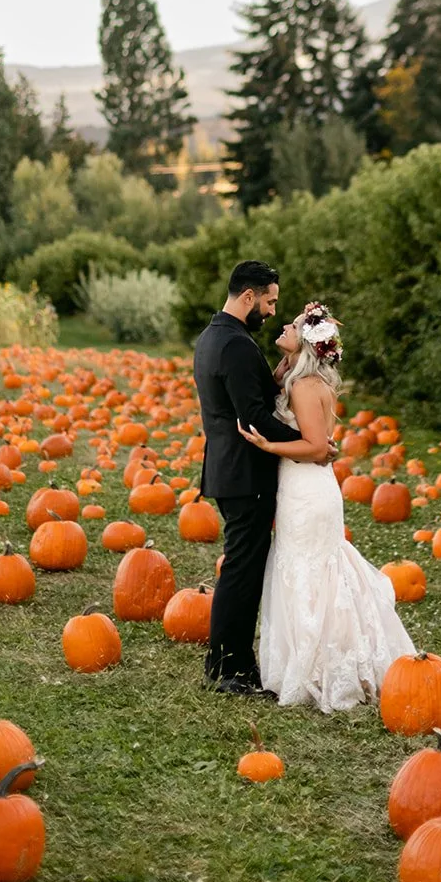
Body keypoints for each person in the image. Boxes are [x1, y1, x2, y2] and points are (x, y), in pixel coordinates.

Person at [239, 300, 416, 712]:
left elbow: (317, 447)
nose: (285, 324)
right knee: (314, 573)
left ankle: (320, 669)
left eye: (295, 324)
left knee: (308, 573)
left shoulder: (304, 387)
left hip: (305, 490)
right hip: (309, 487)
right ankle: (322, 662)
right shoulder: (300, 380)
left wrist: (269, 444)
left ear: (307, 341)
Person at [193, 260, 309, 696]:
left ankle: (227, 664)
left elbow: (248, 396)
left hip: (228, 469)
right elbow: (255, 418)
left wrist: (276, 376)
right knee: (242, 572)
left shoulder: (213, 337)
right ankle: (229, 671)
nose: (272, 311)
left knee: (239, 568)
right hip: (245, 474)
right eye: (270, 301)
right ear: (249, 296)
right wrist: (308, 442)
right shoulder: (237, 344)